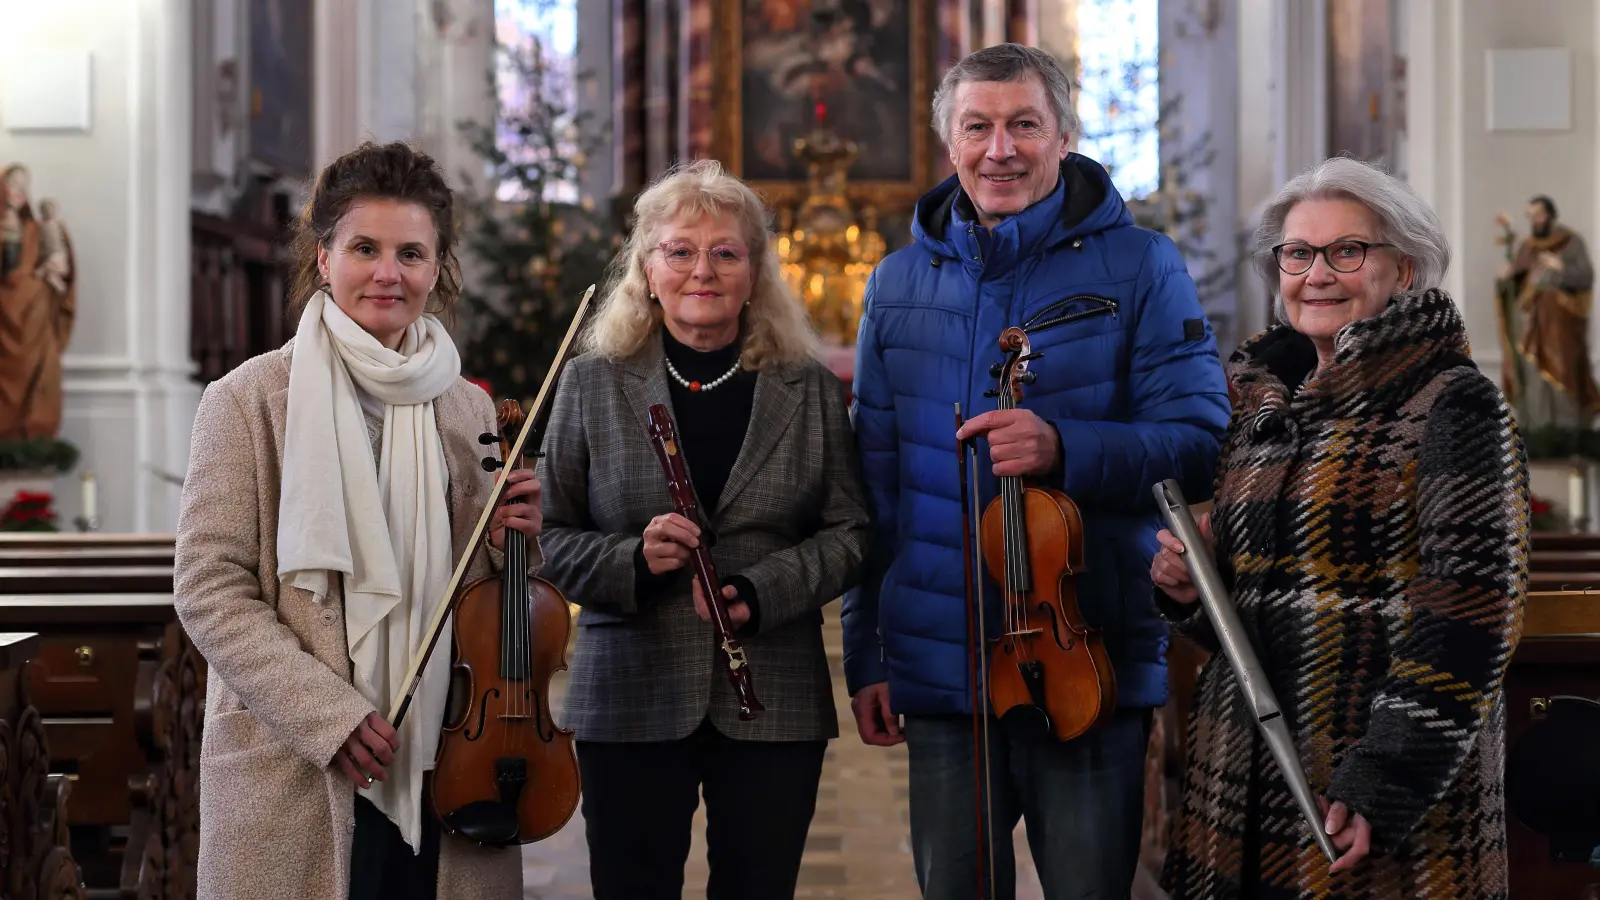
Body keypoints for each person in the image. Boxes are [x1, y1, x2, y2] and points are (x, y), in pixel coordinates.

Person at [842, 42, 1232, 899]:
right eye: (977, 127)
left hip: (1085, 652)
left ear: (1063, 137)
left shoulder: (1141, 265)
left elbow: (1203, 436)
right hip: (944, 663)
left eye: (1024, 124)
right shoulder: (898, 283)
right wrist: (866, 653)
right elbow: (874, 485)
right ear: (950, 144)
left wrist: (1066, 447)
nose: (1000, 149)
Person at [1151, 156, 1529, 898]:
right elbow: (1258, 607)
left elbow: (1474, 613)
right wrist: (1194, 591)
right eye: (1297, 253)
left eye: (1346, 251)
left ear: (1407, 269)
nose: (1315, 273)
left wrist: (1387, 777)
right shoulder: (1262, 408)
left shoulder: (1452, 405)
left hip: (1368, 780)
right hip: (1244, 769)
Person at [173, 141, 534, 900]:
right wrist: (328, 716)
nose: (387, 273)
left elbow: (479, 597)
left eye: (411, 252)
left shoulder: (467, 406)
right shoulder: (247, 400)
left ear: (438, 268)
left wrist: (511, 549)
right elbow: (209, 589)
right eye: (365, 248)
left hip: (449, 752)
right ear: (324, 254)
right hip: (300, 759)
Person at [535, 158, 871, 900]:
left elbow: (851, 531)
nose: (702, 270)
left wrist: (761, 587)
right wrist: (631, 559)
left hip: (774, 687)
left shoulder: (807, 386)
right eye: (679, 251)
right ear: (646, 270)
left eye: (726, 252)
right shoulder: (593, 381)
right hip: (629, 689)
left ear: (756, 273)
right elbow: (546, 534)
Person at [1493, 194, 1600, 431]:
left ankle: (1568, 432)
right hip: (1531, 328)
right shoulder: (1528, 247)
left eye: (1539, 215)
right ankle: (1539, 430)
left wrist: (1560, 267)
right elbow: (1515, 289)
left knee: (1563, 376)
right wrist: (1506, 279)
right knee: (1535, 380)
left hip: (1562, 326)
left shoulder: (1571, 242)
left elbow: (1586, 278)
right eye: (1531, 216)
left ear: (1550, 215)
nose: (1535, 220)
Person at [0, 163, 77, 440]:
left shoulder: (35, 228)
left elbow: (57, 263)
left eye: (24, 186)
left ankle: (34, 430)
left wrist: (57, 238)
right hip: (4, 316)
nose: (19, 192)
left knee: (44, 372)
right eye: (13, 185)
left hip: (35, 314)